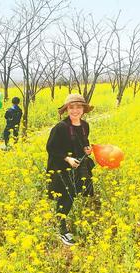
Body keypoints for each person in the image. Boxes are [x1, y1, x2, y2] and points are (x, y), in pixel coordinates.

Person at [46, 93, 95, 246]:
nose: (75, 110)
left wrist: (87, 150)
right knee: (66, 197)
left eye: (78, 107)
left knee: (74, 194)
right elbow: (51, 148)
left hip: (79, 166)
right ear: (66, 109)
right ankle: (61, 229)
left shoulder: (85, 125)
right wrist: (66, 158)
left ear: (83, 109)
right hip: (61, 168)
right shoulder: (60, 127)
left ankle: (64, 219)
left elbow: (84, 142)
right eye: (71, 107)